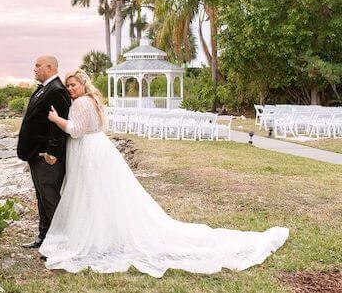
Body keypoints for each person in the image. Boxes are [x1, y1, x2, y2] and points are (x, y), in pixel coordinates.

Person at [39, 69, 289, 276]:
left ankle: (94, 238)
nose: (70, 89)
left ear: (83, 85)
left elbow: (76, 130)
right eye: (68, 86)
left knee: (91, 194)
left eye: (73, 85)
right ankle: (101, 235)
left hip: (89, 151)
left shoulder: (81, 103)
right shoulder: (90, 100)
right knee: (101, 195)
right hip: (98, 149)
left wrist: (55, 118)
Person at [17, 56, 71, 249]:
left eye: (38, 66)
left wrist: (52, 152)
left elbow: (59, 125)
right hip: (35, 154)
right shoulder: (43, 88)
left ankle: (59, 242)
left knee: (50, 198)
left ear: (50, 67)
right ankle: (44, 236)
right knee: (41, 197)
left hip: (47, 157)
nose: (35, 69)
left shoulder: (57, 90)